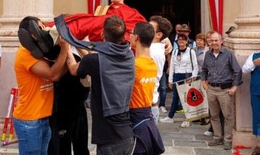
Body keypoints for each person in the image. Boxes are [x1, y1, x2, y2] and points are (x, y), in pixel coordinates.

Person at [62, 15, 135, 155]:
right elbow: (94, 61)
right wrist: (80, 43)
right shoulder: (128, 54)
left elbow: (73, 68)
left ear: (102, 33)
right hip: (126, 134)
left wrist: (66, 46)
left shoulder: (94, 61)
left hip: (109, 138)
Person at [13, 16, 68, 155]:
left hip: (43, 117)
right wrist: (64, 50)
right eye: (40, 27)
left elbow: (57, 73)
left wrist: (69, 59)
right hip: (29, 120)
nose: (44, 29)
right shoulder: (25, 53)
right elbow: (52, 74)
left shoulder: (40, 53)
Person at [201, 31, 242, 150]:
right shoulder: (208, 54)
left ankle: (228, 139)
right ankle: (217, 137)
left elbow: (237, 71)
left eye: (216, 40)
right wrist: (204, 82)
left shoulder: (228, 54)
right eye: (212, 41)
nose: (214, 43)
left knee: (227, 116)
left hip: (225, 90)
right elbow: (203, 70)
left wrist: (234, 87)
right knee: (214, 115)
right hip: (211, 89)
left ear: (221, 41)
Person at [129, 22, 165, 154]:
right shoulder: (151, 62)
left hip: (136, 116)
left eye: (131, 33)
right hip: (147, 112)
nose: (129, 36)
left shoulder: (135, 65)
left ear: (136, 38)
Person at [159, 33, 198, 127]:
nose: (181, 41)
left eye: (183, 40)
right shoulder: (175, 51)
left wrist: (193, 77)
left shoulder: (191, 51)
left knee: (187, 98)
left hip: (187, 76)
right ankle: (170, 117)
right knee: (175, 97)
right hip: (177, 75)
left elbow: (195, 66)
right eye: (179, 40)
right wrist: (170, 80)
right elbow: (172, 66)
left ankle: (188, 118)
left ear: (186, 41)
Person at [148, 15, 173, 122]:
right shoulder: (153, 46)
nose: (145, 29)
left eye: (149, 28)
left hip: (148, 101)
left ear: (158, 34)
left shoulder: (154, 51)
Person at [242, 37, 260, 136]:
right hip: (258, 92)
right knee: (258, 117)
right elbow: (244, 70)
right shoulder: (254, 56)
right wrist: (253, 64)